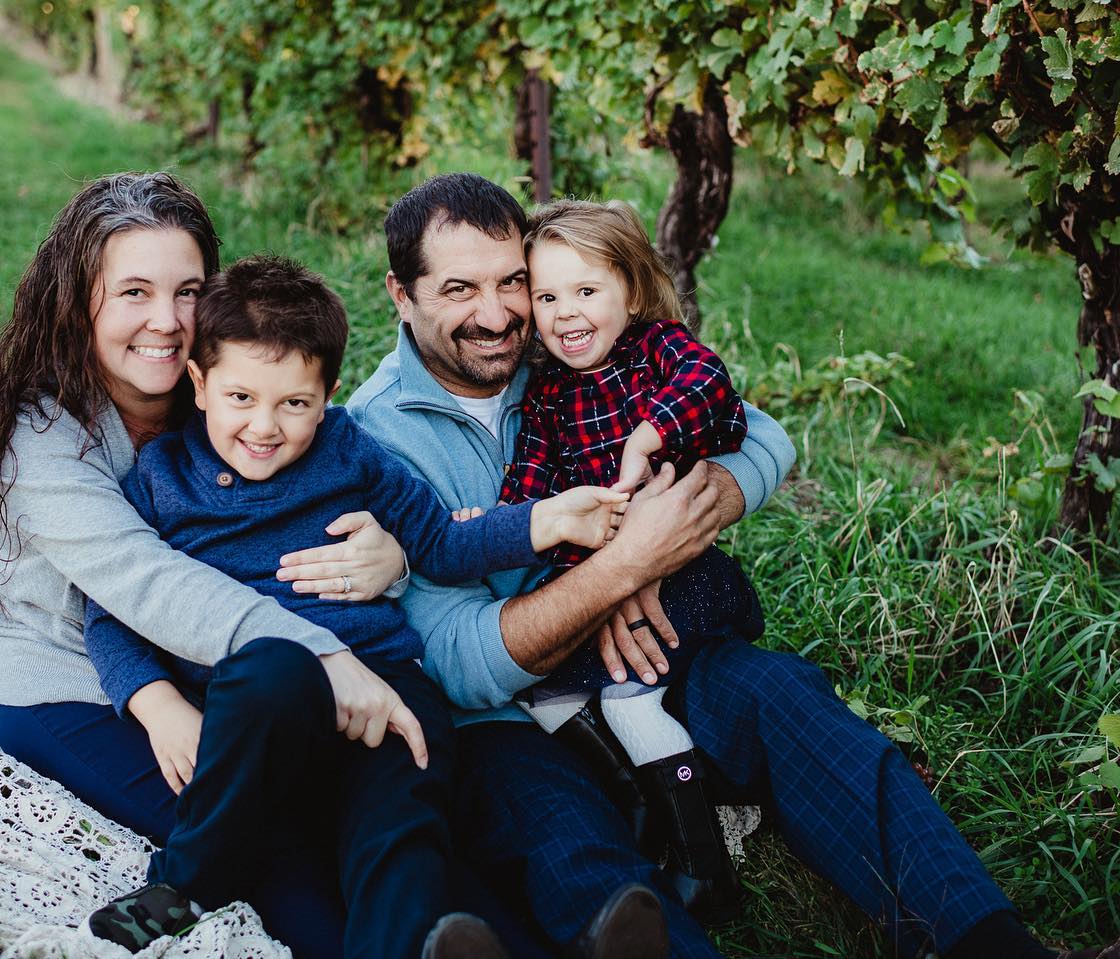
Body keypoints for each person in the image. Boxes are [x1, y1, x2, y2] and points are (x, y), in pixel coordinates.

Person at [347, 172, 1120, 959]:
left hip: (654, 652)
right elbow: (455, 663)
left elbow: (762, 436)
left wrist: (684, 515)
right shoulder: (375, 441)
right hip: (514, 720)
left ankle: (990, 944)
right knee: (587, 864)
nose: (497, 313)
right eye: (457, 289)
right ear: (400, 296)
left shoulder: (567, 351)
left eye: (514, 282)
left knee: (787, 698)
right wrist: (621, 569)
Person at [80, 254, 645, 959]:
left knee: (403, 818)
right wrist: (153, 700)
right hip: (265, 706)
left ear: (329, 394)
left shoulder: (351, 449)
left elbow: (441, 540)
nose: (265, 426)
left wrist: (549, 519)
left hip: (384, 684)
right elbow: (111, 609)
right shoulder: (163, 479)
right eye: (242, 398)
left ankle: (409, 942)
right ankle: (186, 882)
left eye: (295, 403)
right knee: (274, 667)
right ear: (198, 384)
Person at [0, 172, 421, 959]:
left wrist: (391, 556)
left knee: (387, 814)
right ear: (78, 300)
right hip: (74, 688)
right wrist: (310, 659)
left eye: (187, 290)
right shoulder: (37, 432)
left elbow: (318, 503)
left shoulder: (226, 402)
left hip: (229, 669)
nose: (165, 321)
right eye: (133, 291)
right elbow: (148, 582)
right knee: (274, 848)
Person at [496, 198, 763, 920]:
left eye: (586, 291)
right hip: (615, 574)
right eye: (547, 296)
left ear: (632, 292)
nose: (565, 313)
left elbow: (710, 384)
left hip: (690, 580)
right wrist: (503, 522)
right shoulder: (549, 392)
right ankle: (635, 802)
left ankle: (705, 863)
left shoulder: (659, 349)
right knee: (544, 693)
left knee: (628, 696)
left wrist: (648, 436)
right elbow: (533, 470)